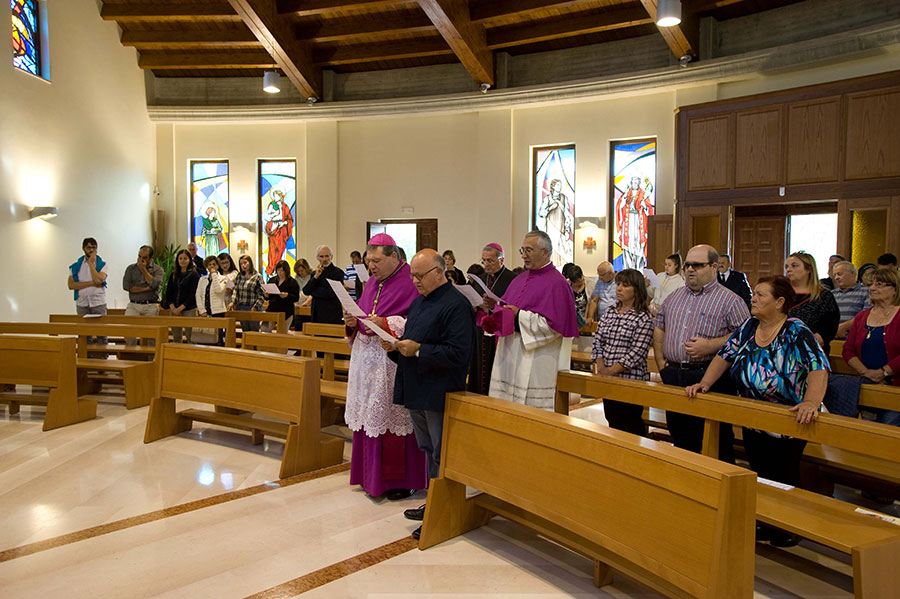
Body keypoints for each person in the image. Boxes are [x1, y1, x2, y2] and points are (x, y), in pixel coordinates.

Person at [686, 275, 828, 546]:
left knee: (783, 472)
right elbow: (725, 355)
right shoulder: (750, 326)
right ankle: (764, 520)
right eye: (755, 294)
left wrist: (811, 402)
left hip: (789, 417)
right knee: (760, 470)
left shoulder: (797, 331)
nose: (754, 298)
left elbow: (818, 367)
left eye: (761, 295)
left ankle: (788, 527)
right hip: (752, 414)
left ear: (780, 302)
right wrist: (704, 383)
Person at [384, 249, 475, 541]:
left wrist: (419, 349)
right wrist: (397, 347)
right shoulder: (420, 302)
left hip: (439, 391)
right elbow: (413, 341)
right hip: (416, 387)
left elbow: (460, 355)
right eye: (412, 275)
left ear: (439, 272)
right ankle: (434, 501)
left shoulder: (457, 305)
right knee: (427, 449)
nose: (414, 281)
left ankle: (443, 510)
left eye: (419, 275)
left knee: (440, 452)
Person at [342, 234, 425, 501]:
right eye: (369, 261)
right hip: (366, 360)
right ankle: (368, 476)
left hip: (391, 361)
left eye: (376, 260)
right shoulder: (372, 283)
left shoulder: (411, 282)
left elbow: (417, 322)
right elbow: (364, 315)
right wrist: (352, 322)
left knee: (391, 417)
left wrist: (388, 323)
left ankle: (399, 480)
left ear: (394, 256)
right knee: (369, 415)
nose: (372, 266)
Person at [652, 244, 749, 463]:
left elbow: (743, 337)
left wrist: (711, 345)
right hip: (674, 373)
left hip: (711, 376)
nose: (690, 270)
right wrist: (660, 361)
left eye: (697, 265)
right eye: (687, 265)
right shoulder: (674, 297)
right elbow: (660, 326)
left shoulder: (730, 300)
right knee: (680, 436)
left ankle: (717, 490)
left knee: (715, 440)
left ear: (714, 267)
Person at [484, 231, 579, 409]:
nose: (523, 255)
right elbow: (507, 308)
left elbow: (555, 327)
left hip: (537, 359)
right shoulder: (519, 279)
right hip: (511, 355)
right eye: (522, 250)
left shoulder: (558, 284)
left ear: (545, 252)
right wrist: (494, 307)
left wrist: (518, 315)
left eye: (529, 250)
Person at [591, 269, 654, 436]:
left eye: (625, 285)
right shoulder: (610, 312)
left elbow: (638, 352)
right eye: (618, 284)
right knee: (613, 420)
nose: (619, 288)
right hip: (608, 377)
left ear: (637, 289)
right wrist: (601, 366)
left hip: (630, 379)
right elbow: (598, 340)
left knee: (631, 423)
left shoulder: (643, 317)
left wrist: (611, 371)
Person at [843, 268, 900, 425]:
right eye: (871, 284)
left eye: (880, 284)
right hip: (866, 385)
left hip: (895, 389)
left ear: (895, 289)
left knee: (889, 435)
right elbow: (848, 350)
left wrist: (883, 372)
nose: (872, 288)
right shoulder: (862, 316)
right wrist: (867, 373)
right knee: (869, 434)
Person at [468, 243, 517, 395]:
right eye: (484, 261)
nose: (486, 265)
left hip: (499, 333)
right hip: (479, 332)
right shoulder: (479, 279)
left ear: (501, 260)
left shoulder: (512, 279)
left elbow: (513, 307)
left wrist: (494, 305)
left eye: (490, 261)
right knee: (478, 368)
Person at [783, 251, 840, 353]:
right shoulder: (780, 294)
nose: (789, 270)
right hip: (781, 351)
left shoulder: (824, 296)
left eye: (794, 266)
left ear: (808, 269)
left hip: (812, 353)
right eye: (786, 267)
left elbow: (827, 330)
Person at [68, 237, 109, 345]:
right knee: (84, 334)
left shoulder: (102, 264)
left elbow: (99, 279)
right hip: (82, 303)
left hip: (98, 302)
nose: (91, 250)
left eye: (94, 248)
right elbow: (71, 285)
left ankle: (102, 358)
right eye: (88, 248)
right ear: (83, 249)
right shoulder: (76, 266)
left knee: (101, 332)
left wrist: (91, 264)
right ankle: (86, 358)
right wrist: (91, 283)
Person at [123, 245, 164, 343]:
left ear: (150, 258)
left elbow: (154, 284)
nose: (141, 260)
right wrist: (146, 288)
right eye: (139, 256)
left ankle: (152, 357)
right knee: (128, 331)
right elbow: (127, 287)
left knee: (152, 334)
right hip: (134, 304)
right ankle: (130, 354)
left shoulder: (157, 270)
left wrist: (143, 269)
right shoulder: (131, 268)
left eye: (144, 257)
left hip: (150, 305)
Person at [164, 249, 200, 343]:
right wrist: (173, 308)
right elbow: (168, 293)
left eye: (185, 258)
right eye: (180, 258)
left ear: (189, 260)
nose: (182, 261)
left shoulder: (194, 275)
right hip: (174, 308)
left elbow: (193, 294)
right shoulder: (173, 274)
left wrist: (180, 308)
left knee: (190, 337)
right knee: (176, 337)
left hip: (189, 308)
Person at [302, 245, 345, 324]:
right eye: (321, 256)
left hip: (332, 314)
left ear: (331, 257)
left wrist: (314, 291)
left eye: (326, 256)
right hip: (316, 314)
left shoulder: (338, 273)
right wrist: (315, 277)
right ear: (317, 258)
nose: (324, 259)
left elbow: (330, 293)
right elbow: (306, 291)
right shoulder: (314, 274)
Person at [832, 261, 870, 339]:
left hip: (855, 338)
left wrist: (844, 327)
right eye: (834, 275)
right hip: (832, 338)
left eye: (839, 274)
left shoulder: (867, 292)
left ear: (852, 273)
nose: (836, 278)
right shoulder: (831, 294)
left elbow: (866, 315)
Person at [196, 255, 229, 345]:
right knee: (206, 338)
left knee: (218, 338)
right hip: (205, 312)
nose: (212, 266)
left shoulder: (223, 278)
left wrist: (214, 275)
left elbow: (219, 290)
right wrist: (202, 310)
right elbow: (198, 295)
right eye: (209, 264)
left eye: (214, 264)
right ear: (207, 266)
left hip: (218, 312)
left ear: (218, 266)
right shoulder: (202, 279)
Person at [231, 255, 265, 333]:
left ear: (250, 263)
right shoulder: (239, 276)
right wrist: (233, 301)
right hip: (242, 307)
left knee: (253, 331)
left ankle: (254, 345)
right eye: (241, 264)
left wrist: (256, 307)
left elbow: (261, 294)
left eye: (245, 263)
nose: (243, 265)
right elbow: (235, 290)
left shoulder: (257, 276)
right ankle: (245, 345)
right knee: (245, 331)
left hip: (253, 306)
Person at [264, 260, 300, 332]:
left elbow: (296, 297)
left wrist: (287, 296)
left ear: (286, 271)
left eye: (282, 270)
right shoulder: (272, 280)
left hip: (286, 310)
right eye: (278, 270)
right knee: (266, 329)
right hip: (272, 309)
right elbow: (267, 297)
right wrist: (266, 295)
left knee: (282, 332)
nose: (280, 272)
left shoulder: (292, 282)